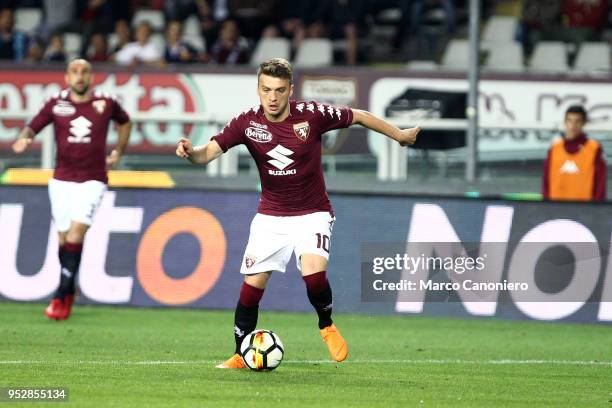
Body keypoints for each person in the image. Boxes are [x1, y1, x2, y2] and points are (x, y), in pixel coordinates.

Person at [176, 58, 421, 368]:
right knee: (252, 286)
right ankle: (241, 353)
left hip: (313, 212)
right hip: (271, 216)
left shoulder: (313, 115)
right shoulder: (246, 123)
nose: (272, 97)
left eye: (279, 90)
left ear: (290, 90)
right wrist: (190, 153)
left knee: (314, 275)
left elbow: (358, 115)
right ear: (258, 89)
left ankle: (326, 324)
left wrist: (399, 135)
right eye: (266, 90)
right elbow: (208, 153)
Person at [11, 59, 132, 320]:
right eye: (75, 72)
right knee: (64, 239)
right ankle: (69, 288)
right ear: (67, 77)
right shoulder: (56, 102)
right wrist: (24, 138)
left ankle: (59, 297)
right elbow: (34, 125)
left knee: (76, 234)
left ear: (91, 77)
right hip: (62, 180)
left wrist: (118, 151)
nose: (80, 76)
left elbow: (125, 122)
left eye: (85, 72)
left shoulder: (106, 102)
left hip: (93, 179)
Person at [542, 105, 607, 201]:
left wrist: (597, 209)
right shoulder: (554, 149)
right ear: (565, 122)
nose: (573, 125)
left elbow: (600, 185)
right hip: (556, 208)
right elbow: (546, 183)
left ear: (584, 123)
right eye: (569, 120)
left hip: (585, 209)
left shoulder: (594, 149)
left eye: (577, 121)